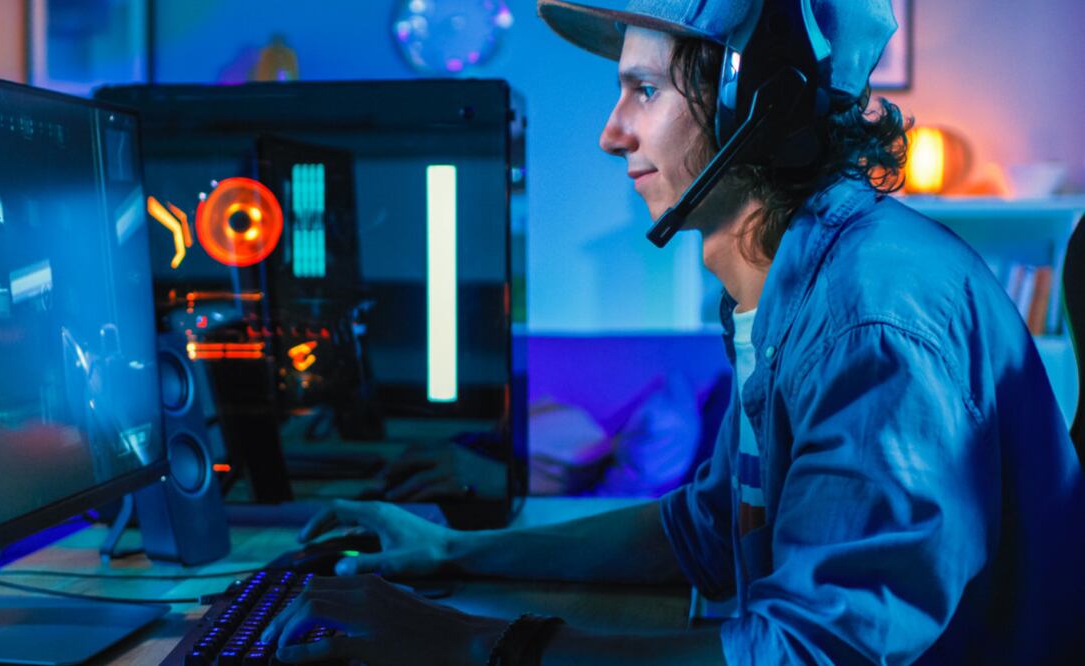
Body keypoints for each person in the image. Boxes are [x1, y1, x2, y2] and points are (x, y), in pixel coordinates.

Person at [262, 1, 1085, 663]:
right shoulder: (783, 289)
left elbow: (814, 651)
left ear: (759, 105)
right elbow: (705, 526)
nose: (611, 131)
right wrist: (448, 553)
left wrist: (474, 645)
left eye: (645, 91)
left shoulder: (871, 321)